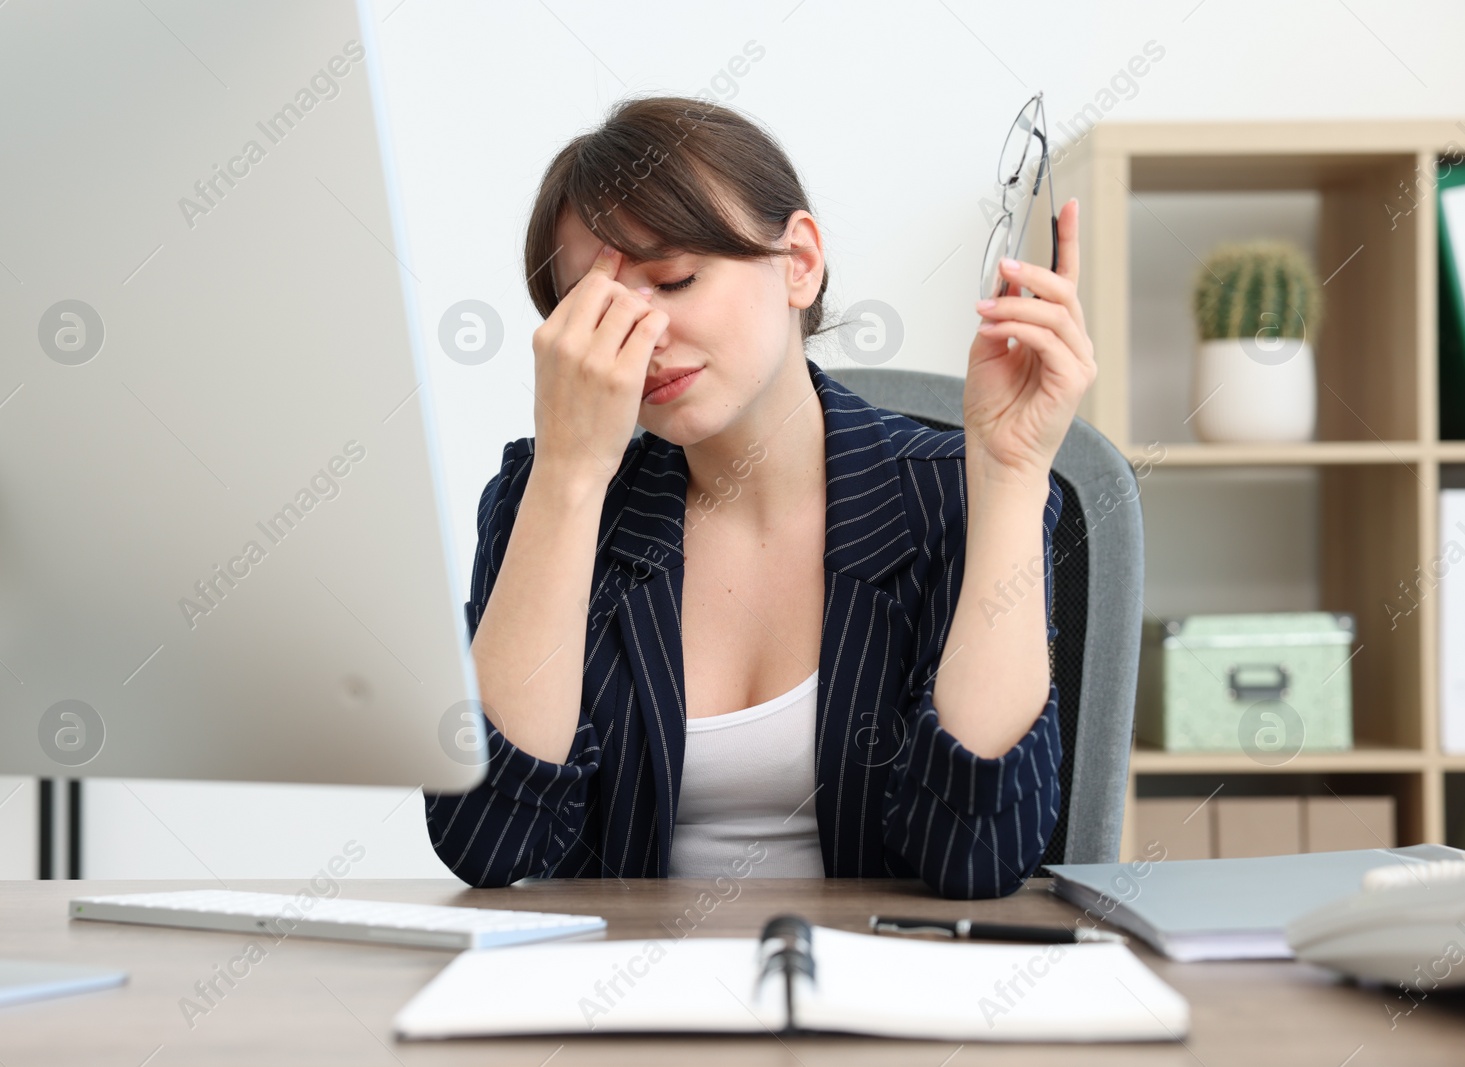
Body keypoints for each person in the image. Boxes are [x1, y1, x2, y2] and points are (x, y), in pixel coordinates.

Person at [426, 95, 1096, 898]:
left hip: (881, 995)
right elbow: (491, 843)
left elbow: (978, 854)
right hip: (619, 1003)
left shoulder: (952, 496)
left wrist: (1013, 478)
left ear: (799, 260)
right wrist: (569, 477)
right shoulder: (544, 502)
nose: (642, 339)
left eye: (674, 279)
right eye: (595, 312)